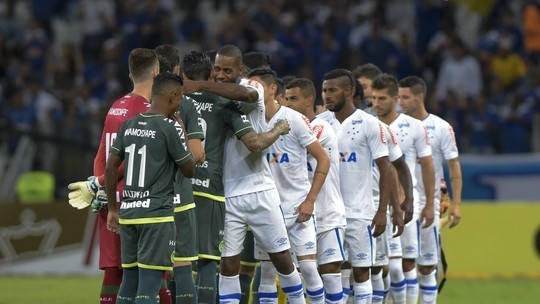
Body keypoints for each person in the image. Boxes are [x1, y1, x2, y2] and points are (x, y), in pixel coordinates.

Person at [179, 49, 298, 304]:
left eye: (228, 70)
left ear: (241, 71)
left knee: (282, 259)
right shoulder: (215, 99)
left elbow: (248, 96)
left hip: (259, 188)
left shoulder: (248, 86)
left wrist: (200, 83)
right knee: (228, 265)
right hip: (227, 192)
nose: (221, 75)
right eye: (218, 69)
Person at [67, 48, 175, 304]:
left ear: (129, 74)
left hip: (110, 201)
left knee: (115, 272)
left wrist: (99, 186)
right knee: (152, 271)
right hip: (137, 200)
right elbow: (131, 158)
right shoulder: (148, 111)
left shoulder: (116, 106)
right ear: (156, 72)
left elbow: (101, 154)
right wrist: (100, 183)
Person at [105, 72, 196, 304]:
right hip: (156, 216)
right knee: (149, 288)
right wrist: (183, 131)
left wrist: (114, 210)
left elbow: (110, 169)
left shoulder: (129, 124)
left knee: (129, 284)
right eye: (181, 98)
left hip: (129, 214)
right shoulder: (169, 127)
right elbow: (189, 169)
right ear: (174, 96)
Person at [248, 69, 330, 304]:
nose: (252, 91)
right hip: (266, 210)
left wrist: (310, 201)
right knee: (267, 273)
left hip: (297, 209)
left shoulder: (294, 119)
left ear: (273, 89)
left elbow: (323, 159)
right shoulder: (249, 118)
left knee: (308, 269)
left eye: (258, 86)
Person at [320, 68, 392, 304]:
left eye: (332, 90)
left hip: (360, 212)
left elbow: (386, 169)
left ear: (349, 91)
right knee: (330, 271)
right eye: (323, 90)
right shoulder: (318, 124)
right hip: (328, 212)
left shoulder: (370, 124)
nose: (326, 95)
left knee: (362, 272)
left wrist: (382, 210)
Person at [371, 74, 435, 304]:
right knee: (378, 267)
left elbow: (427, 165)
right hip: (373, 203)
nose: (376, 104)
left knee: (404, 265)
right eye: (374, 99)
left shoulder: (415, 127)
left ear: (396, 99)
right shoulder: (369, 124)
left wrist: (428, 203)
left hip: (405, 203)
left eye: (382, 99)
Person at [398, 76, 462, 304]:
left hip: (429, 204)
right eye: (399, 97)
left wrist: (454, 203)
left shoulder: (442, 127)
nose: (401, 102)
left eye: (405, 97)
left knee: (426, 267)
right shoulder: (395, 126)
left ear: (419, 97)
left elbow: (453, 167)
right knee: (402, 265)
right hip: (401, 204)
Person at [284, 77, 348, 304]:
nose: (288, 103)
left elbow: (299, 151)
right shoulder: (289, 128)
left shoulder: (321, 127)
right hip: (300, 215)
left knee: (330, 277)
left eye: (294, 98)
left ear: (309, 100)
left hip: (327, 213)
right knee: (304, 276)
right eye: (286, 98)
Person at [155, 45, 205, 304]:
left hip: (146, 201)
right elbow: (196, 156)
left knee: (147, 272)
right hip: (179, 198)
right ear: (177, 70)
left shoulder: (139, 105)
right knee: (183, 266)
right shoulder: (185, 103)